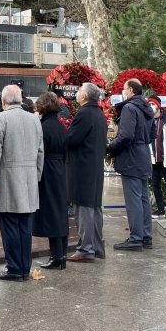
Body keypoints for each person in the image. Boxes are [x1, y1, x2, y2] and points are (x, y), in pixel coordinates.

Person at [0, 84, 44, 280]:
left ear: (3, 102)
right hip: (29, 179)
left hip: (8, 179)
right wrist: (36, 176)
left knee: (9, 225)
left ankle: (14, 268)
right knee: (25, 227)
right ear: (20, 100)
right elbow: (40, 152)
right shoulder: (34, 120)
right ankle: (24, 267)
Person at [108, 79, 156, 251]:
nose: (123, 91)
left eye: (124, 89)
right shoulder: (147, 108)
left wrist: (110, 147)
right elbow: (152, 134)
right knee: (143, 198)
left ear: (130, 90)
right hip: (143, 154)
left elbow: (126, 135)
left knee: (134, 199)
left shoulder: (129, 108)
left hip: (131, 157)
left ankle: (136, 238)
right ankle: (145, 236)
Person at [66, 82, 109, 262]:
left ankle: (86, 248)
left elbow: (72, 139)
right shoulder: (99, 114)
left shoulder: (84, 113)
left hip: (82, 168)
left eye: (79, 91)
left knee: (83, 208)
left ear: (84, 96)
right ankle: (97, 246)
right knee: (94, 207)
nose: (77, 93)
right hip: (95, 166)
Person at [33, 92, 70, 270]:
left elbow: (39, 151)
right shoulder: (60, 126)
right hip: (60, 169)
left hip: (48, 169)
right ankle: (61, 254)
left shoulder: (45, 126)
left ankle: (56, 256)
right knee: (59, 211)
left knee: (52, 213)